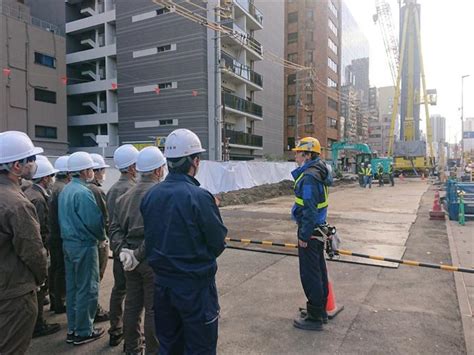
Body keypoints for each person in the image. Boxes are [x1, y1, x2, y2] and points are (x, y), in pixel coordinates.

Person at [142, 129, 227, 354]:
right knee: (200, 347)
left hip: (162, 287)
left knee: (169, 345)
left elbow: (150, 238)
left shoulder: (151, 195)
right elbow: (217, 243)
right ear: (195, 161)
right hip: (195, 289)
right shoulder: (200, 197)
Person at [110, 146, 166, 354]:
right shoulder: (159, 194)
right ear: (159, 170)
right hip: (149, 258)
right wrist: (138, 254)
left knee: (132, 305)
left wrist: (124, 251)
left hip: (129, 260)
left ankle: (132, 348)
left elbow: (114, 228)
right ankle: (153, 350)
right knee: (153, 309)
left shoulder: (123, 196)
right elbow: (157, 233)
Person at [0, 131, 48, 354]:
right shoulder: (18, 204)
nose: (35, 164)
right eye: (31, 159)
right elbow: (33, 252)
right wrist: (40, 278)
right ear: (16, 166)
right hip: (14, 295)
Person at [59, 152, 105, 345]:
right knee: (87, 288)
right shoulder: (83, 192)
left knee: (73, 288)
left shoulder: (66, 190)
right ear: (86, 171)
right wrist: (102, 237)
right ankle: (84, 331)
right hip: (84, 245)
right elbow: (93, 222)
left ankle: (73, 329)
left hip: (68, 244)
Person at [290, 137, 331, 331]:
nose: (296, 156)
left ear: (307, 155)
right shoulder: (319, 172)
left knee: (310, 274)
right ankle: (319, 309)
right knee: (319, 270)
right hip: (318, 229)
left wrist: (304, 236)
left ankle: (315, 317)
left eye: (298, 153)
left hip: (310, 231)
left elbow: (309, 209)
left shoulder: (308, 178)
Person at [24, 156, 61, 338]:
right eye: (50, 176)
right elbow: (40, 227)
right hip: (41, 246)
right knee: (41, 285)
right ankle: (38, 325)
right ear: (45, 178)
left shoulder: (29, 192)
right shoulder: (38, 198)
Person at [106, 144, 139, 347]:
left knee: (119, 290)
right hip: (133, 250)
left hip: (118, 249)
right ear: (133, 167)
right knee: (135, 297)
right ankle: (132, 337)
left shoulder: (111, 190)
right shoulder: (133, 190)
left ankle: (115, 329)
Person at [88, 153, 111, 323]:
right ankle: (94, 310)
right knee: (95, 278)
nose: (103, 173)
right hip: (96, 241)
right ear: (94, 171)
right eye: (102, 170)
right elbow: (105, 218)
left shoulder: (77, 188)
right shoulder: (96, 191)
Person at [48, 155, 71, 315]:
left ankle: (55, 300)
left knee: (55, 269)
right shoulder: (63, 189)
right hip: (59, 237)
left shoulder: (54, 187)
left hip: (53, 235)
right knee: (60, 270)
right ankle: (59, 301)